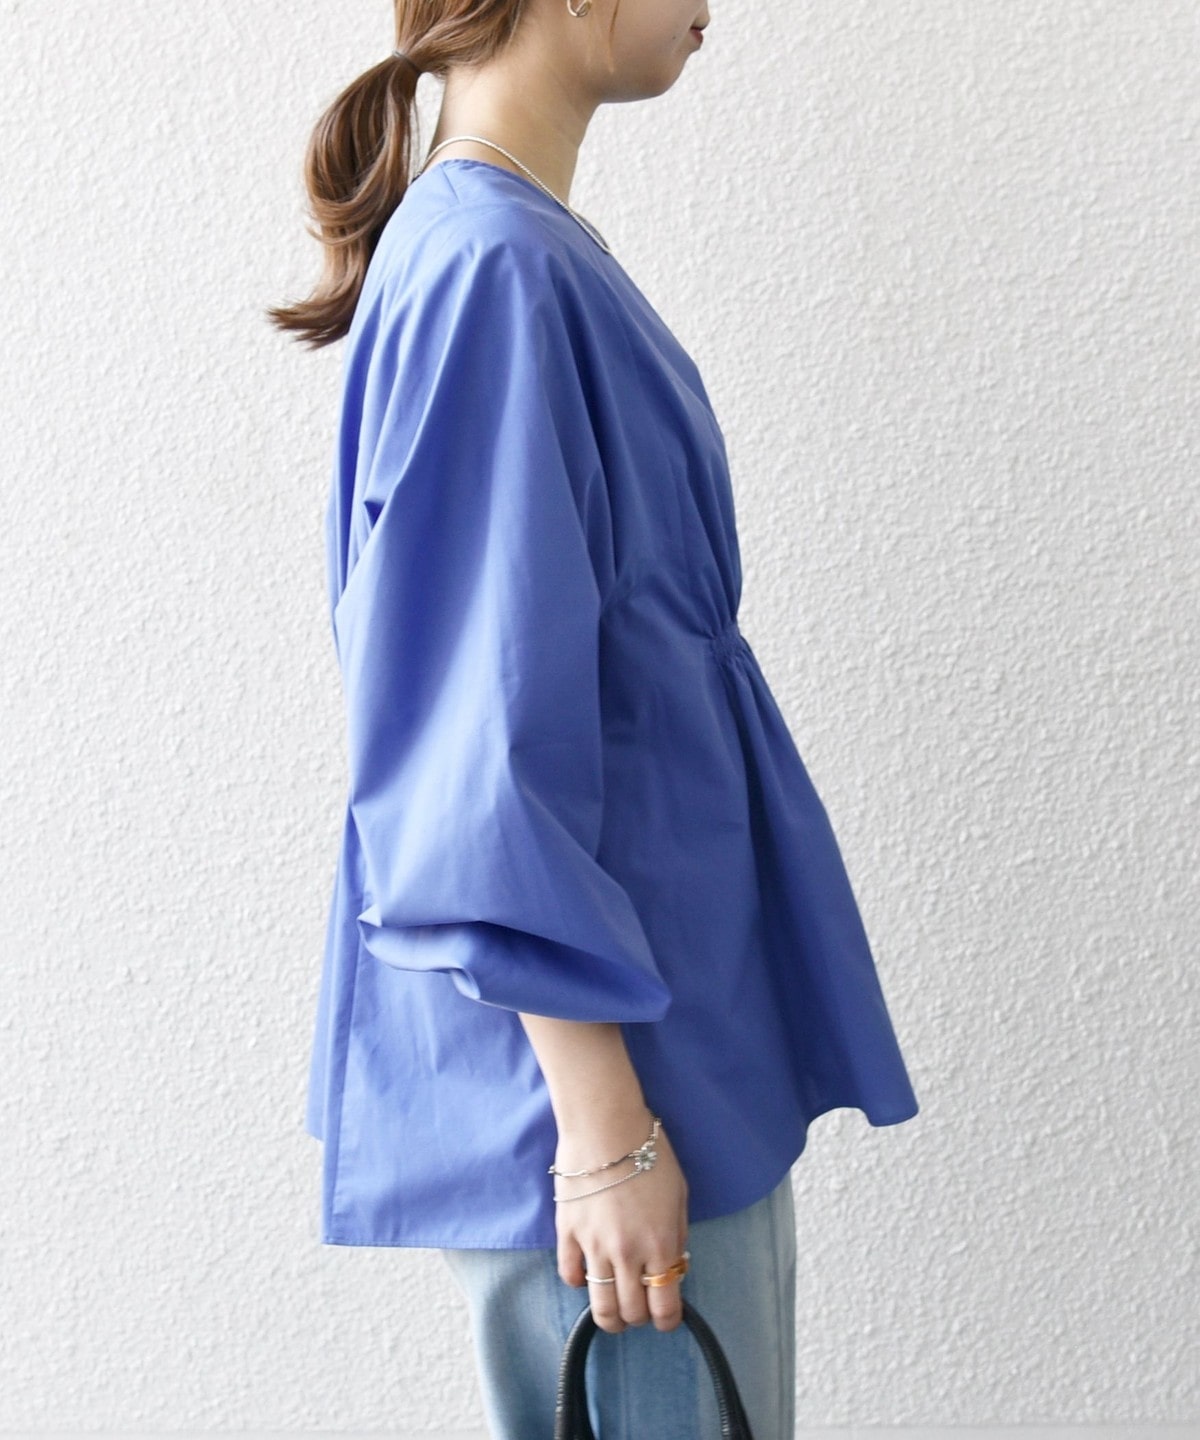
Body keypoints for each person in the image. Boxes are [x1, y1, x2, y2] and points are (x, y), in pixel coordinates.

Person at [267, 1, 920, 1435]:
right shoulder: (493, 268)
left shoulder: (510, 248)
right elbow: (470, 734)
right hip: (611, 1080)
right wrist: (606, 1130)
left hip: (653, 1038)